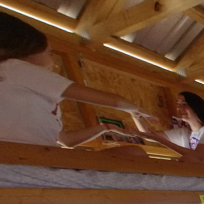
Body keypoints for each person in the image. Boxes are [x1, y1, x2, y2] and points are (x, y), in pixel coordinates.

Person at [0, 13, 153, 151]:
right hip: (26, 159)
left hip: (33, 158)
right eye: (49, 53)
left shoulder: (24, 92)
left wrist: (105, 128)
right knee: (135, 152)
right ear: (27, 50)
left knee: (133, 153)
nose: (54, 62)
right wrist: (135, 109)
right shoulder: (15, 68)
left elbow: (67, 141)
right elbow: (115, 101)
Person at [132, 91, 204, 166]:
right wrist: (135, 115)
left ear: (196, 107)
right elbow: (149, 134)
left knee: (186, 160)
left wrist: (160, 140)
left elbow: (198, 156)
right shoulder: (184, 133)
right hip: (201, 177)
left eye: (184, 103)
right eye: (178, 104)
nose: (179, 107)